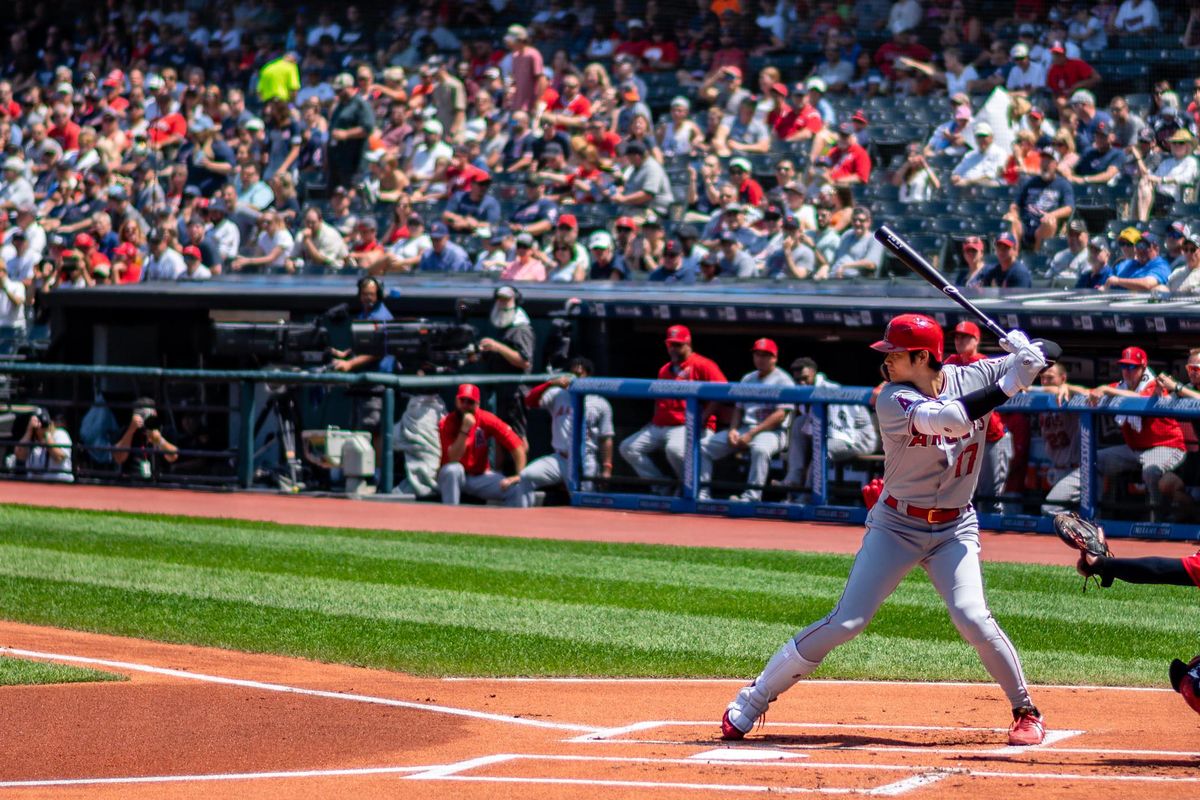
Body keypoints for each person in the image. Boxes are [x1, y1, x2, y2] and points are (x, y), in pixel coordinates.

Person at [721, 314, 1050, 747]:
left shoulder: (970, 374)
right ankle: (752, 699)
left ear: (921, 356)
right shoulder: (892, 398)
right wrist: (1014, 381)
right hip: (896, 525)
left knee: (973, 616)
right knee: (847, 621)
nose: (886, 360)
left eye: (894, 353)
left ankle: (1026, 710)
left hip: (955, 527)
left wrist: (1031, 351)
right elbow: (951, 419)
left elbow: (1048, 350)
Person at [619, 325, 727, 491]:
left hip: (686, 425)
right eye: (671, 345)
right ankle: (662, 486)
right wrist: (653, 422)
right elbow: (659, 400)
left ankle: (690, 487)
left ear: (688, 343)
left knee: (674, 449)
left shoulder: (703, 365)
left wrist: (703, 417)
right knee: (628, 447)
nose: (673, 349)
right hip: (660, 425)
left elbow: (723, 391)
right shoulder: (664, 370)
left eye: (678, 344)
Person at [510, 357, 614, 506]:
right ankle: (520, 522)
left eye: (580, 374)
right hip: (560, 459)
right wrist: (550, 383)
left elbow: (606, 438)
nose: (575, 377)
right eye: (572, 373)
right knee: (526, 476)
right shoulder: (558, 394)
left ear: (589, 376)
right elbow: (530, 401)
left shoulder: (600, 403)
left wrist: (607, 467)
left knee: (585, 502)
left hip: (585, 460)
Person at [699, 338, 792, 502]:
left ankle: (752, 497)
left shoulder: (784, 380)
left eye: (765, 355)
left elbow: (780, 415)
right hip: (745, 428)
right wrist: (733, 429)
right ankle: (702, 494)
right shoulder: (748, 378)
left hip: (773, 432)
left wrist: (751, 434)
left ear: (774, 358)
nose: (760, 358)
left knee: (760, 449)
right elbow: (738, 408)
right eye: (757, 354)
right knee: (704, 447)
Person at [779, 356, 879, 501]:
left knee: (822, 449)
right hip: (837, 435)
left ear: (813, 373)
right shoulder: (805, 392)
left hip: (859, 437)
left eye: (805, 378)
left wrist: (817, 443)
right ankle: (793, 479)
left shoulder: (830, 390)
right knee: (799, 422)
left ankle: (808, 496)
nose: (802, 382)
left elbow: (840, 431)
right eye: (798, 380)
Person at [945, 322, 1012, 514]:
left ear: (976, 340)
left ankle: (996, 535)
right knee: (962, 493)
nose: (959, 340)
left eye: (965, 337)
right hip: (965, 440)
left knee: (991, 496)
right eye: (957, 337)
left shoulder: (984, 362)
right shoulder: (950, 362)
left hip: (992, 437)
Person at [436, 383, 526, 505]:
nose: (465, 405)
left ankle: (511, 523)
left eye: (470, 402)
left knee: (516, 489)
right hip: (453, 478)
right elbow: (453, 458)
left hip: (479, 477)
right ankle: (451, 518)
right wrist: (464, 430)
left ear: (477, 404)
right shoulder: (446, 422)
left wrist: (519, 476)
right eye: (462, 400)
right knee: (453, 470)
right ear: (456, 401)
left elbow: (517, 446)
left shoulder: (486, 418)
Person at [479, 287, 536, 444]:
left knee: (518, 437)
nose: (502, 303)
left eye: (507, 299)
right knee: (498, 435)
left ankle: (521, 470)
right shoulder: (499, 326)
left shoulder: (521, 329)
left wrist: (497, 347)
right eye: (500, 299)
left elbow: (524, 361)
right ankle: (498, 469)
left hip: (515, 392)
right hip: (498, 391)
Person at [113, 398, 179, 478]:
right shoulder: (127, 431)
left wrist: (160, 441)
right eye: (141, 415)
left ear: (155, 414)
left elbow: (173, 457)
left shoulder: (165, 431)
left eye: (146, 415)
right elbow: (119, 458)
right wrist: (131, 430)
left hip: (160, 482)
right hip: (132, 482)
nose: (144, 419)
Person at [14, 407, 73, 482]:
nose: (40, 426)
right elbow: (19, 455)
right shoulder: (30, 439)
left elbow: (59, 457)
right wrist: (29, 431)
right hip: (34, 487)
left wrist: (46, 434)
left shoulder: (60, 434)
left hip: (59, 485)